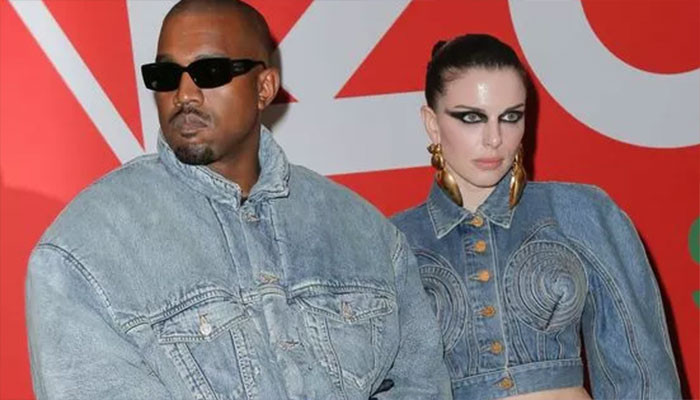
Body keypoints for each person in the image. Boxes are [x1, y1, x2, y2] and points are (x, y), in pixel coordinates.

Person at [25, 1, 451, 399]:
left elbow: (421, 386)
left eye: (209, 72)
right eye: (165, 76)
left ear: (264, 87)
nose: (184, 95)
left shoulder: (364, 232)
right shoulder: (84, 250)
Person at [391, 34, 682, 400]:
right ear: (432, 123)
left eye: (510, 117)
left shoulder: (580, 212)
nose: (494, 138)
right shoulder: (393, 244)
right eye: (471, 118)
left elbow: (642, 372)